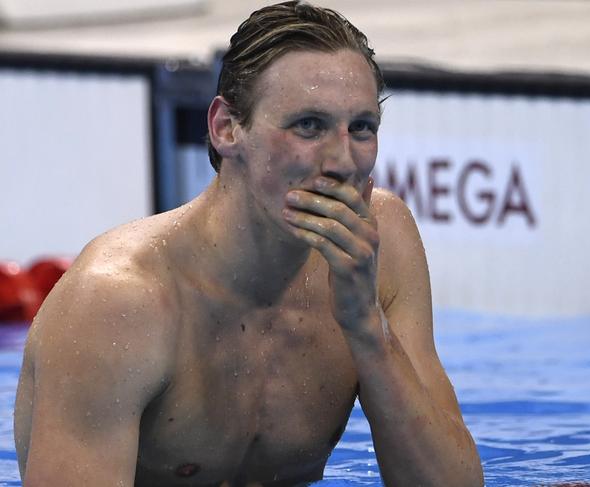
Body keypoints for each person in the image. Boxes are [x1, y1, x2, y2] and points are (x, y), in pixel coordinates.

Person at [14, 2, 483, 485]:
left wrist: (366, 325)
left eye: (361, 128)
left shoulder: (382, 245)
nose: (343, 162)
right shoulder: (117, 304)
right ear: (226, 128)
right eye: (309, 125)